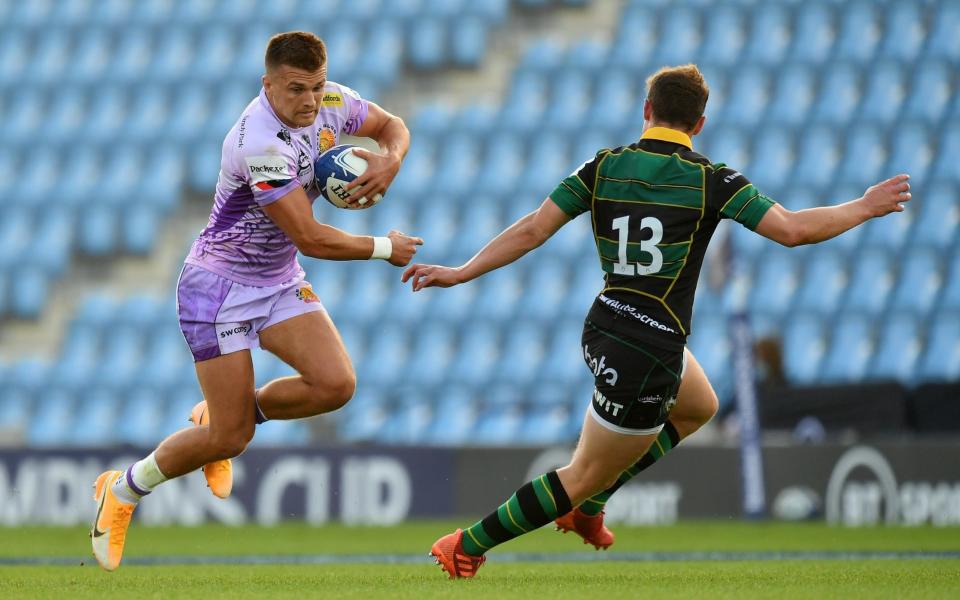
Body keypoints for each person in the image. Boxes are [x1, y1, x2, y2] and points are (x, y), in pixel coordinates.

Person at [403, 64, 911, 578]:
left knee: (700, 405)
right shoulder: (713, 180)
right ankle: (469, 543)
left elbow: (534, 229)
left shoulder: (602, 166)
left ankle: (590, 507)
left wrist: (462, 271)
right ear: (700, 124)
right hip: (649, 349)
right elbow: (793, 231)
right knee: (580, 475)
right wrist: (865, 207)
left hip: (605, 324)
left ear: (646, 111)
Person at [90, 31, 423, 571]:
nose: (311, 101)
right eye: (296, 89)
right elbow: (312, 237)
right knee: (232, 436)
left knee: (335, 385)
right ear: (268, 84)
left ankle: (220, 418)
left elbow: (392, 126)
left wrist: (392, 159)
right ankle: (123, 489)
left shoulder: (332, 102)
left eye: (316, 86)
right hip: (218, 290)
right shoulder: (259, 145)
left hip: (277, 278)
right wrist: (384, 247)